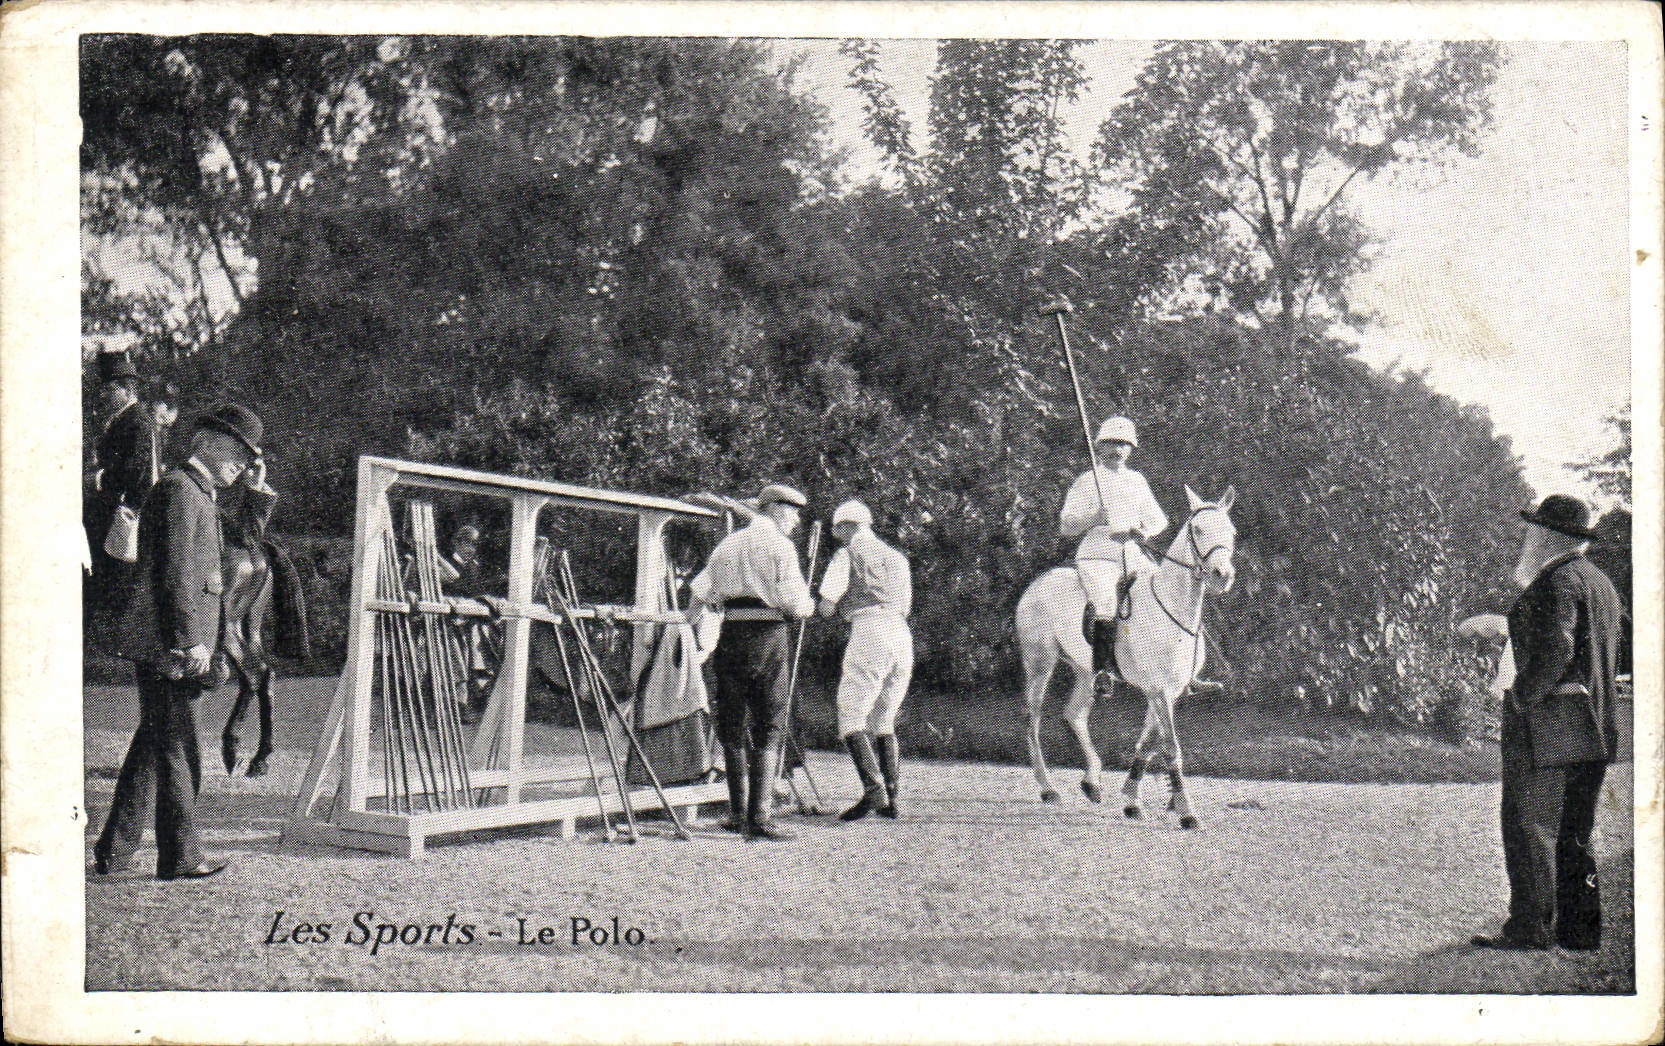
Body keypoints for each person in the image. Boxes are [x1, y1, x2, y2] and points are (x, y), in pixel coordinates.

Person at [94, 403, 266, 881]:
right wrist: (190, 640)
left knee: (153, 745)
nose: (243, 463)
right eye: (236, 452)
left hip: (177, 641)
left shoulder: (197, 493)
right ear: (205, 444)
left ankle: (114, 851)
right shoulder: (178, 490)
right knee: (177, 747)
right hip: (172, 644)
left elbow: (244, 544)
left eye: (248, 457)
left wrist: (257, 495)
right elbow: (175, 574)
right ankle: (181, 856)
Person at [1471, 495, 1622, 951]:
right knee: (1575, 830)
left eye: (1533, 531)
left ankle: (1530, 928)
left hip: (1551, 723)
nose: (1527, 540)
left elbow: (1558, 647)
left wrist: (1522, 695)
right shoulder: (1600, 583)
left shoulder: (1554, 582)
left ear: (1548, 537)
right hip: (1596, 723)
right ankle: (1579, 929)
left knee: (1530, 824)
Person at [688, 483, 816, 841]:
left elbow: (699, 594)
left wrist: (689, 625)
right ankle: (759, 817)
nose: (794, 521)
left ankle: (735, 812)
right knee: (770, 720)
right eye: (791, 513)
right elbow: (796, 603)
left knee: (731, 720)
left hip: (730, 636)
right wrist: (806, 606)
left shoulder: (726, 545)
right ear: (774, 509)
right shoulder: (780, 546)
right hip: (768, 635)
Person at [817, 499, 913, 821]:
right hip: (901, 634)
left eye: (837, 529)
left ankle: (874, 791)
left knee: (851, 714)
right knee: (884, 720)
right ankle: (891, 797)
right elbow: (905, 604)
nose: (836, 535)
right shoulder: (898, 559)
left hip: (870, 631)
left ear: (845, 527)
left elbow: (827, 606)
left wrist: (828, 607)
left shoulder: (847, 555)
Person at [1059, 416, 1167, 691]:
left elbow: (1159, 520)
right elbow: (1066, 526)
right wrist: (1093, 518)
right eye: (1111, 444)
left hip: (1132, 555)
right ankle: (1101, 671)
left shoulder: (1137, 480)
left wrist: (1142, 532)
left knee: (1166, 589)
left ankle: (1180, 668)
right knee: (1106, 602)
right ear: (1099, 447)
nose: (1117, 450)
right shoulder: (1087, 481)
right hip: (1097, 556)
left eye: (1124, 445)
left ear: (1131, 449)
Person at [85, 349, 160, 617]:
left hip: (127, 516)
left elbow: (135, 472)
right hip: (118, 512)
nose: (103, 395)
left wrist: (96, 479)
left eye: (109, 389)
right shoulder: (124, 420)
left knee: (115, 583)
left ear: (126, 390)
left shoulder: (137, 421)